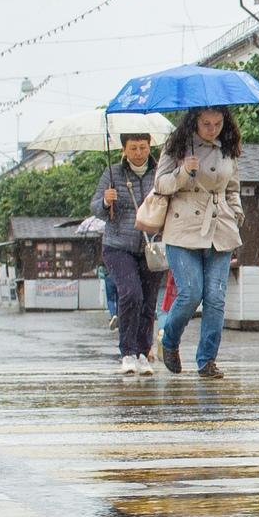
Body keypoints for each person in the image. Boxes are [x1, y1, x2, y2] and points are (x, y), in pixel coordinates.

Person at [153, 107, 244, 378]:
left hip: (220, 228)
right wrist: (183, 172)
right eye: (206, 124)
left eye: (218, 123)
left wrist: (237, 213)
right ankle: (169, 340)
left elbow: (232, 187)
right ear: (195, 122)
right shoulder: (177, 146)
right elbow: (160, 184)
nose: (212, 129)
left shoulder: (228, 147)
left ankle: (207, 361)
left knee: (215, 298)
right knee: (191, 292)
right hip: (183, 229)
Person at [91, 130, 164, 375]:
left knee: (148, 300)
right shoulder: (112, 174)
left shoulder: (159, 172)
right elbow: (96, 210)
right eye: (133, 148)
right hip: (118, 246)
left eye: (143, 147)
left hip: (151, 246)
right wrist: (105, 200)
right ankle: (127, 352)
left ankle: (144, 351)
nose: (138, 153)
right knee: (131, 294)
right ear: (124, 149)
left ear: (149, 145)